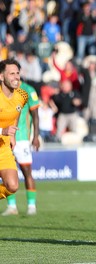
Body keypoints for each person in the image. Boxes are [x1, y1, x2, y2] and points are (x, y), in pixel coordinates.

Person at [2, 82, 40, 216]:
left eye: (16, 73)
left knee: (27, 172)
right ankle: (12, 207)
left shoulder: (27, 90)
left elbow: (35, 114)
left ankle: (31, 206)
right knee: (6, 175)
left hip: (22, 137)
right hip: (4, 138)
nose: (14, 76)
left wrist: (36, 136)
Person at [0, 59, 28, 201]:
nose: (16, 77)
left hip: (3, 147)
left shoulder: (22, 96)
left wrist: (12, 135)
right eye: (11, 73)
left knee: (12, 186)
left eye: (17, 73)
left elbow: (16, 113)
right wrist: (2, 131)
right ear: (1, 76)